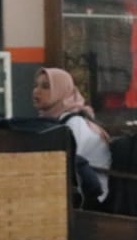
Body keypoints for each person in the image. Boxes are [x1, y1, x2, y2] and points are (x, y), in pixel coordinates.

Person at [33, 67, 111, 202]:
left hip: (92, 195)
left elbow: (65, 162)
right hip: (72, 186)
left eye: (45, 86)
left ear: (60, 92)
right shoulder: (56, 119)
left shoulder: (74, 122)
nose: (36, 91)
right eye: (36, 85)